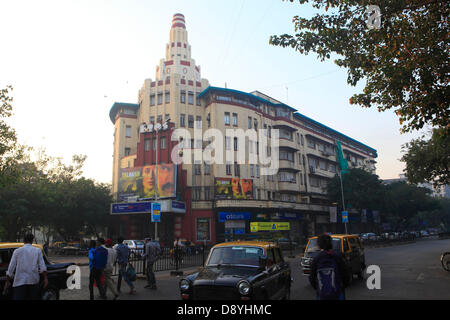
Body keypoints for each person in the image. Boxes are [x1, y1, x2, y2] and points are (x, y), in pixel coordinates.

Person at [4, 233, 48, 300]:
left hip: (19, 282)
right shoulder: (37, 251)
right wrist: (45, 278)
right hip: (33, 281)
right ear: (32, 241)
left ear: (23, 241)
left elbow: (11, 268)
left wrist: (7, 282)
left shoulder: (17, 251)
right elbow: (42, 266)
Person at [309, 234, 350, 300]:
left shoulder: (316, 259)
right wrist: (342, 287)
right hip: (338, 294)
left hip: (322, 295)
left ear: (319, 246)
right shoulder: (337, 257)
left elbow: (311, 278)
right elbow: (345, 276)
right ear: (331, 244)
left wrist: (318, 288)